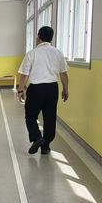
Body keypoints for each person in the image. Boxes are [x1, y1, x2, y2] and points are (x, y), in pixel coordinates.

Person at [18, 26, 69, 155]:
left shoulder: (32, 53)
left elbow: (24, 75)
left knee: (30, 116)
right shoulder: (58, 53)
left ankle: (37, 137)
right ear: (51, 38)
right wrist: (65, 89)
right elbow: (63, 73)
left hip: (36, 89)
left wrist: (20, 90)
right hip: (52, 88)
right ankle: (45, 146)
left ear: (39, 37)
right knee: (50, 118)